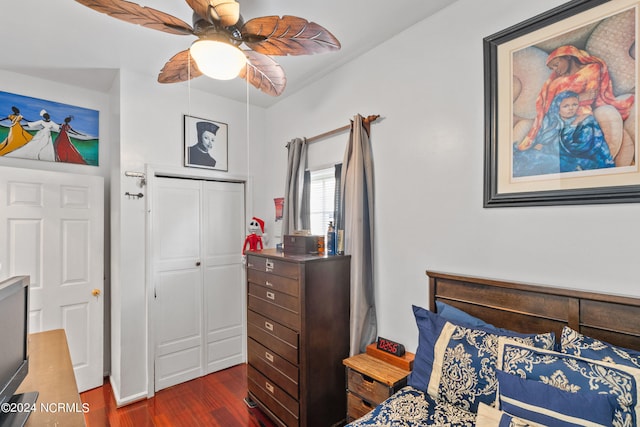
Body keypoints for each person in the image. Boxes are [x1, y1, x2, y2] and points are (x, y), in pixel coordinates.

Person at [516, 45, 634, 154]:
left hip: (582, 114)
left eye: (556, 64)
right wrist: (578, 98)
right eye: (552, 68)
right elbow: (550, 108)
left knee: (584, 141)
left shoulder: (592, 69)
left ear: (568, 56)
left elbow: (591, 96)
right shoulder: (557, 83)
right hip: (557, 120)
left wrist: (566, 101)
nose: (555, 70)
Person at [513, 90, 614, 177]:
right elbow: (541, 140)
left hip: (575, 157)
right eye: (566, 106)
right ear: (557, 108)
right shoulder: (550, 121)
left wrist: (573, 126)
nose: (571, 108)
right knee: (524, 158)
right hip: (549, 154)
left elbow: (581, 146)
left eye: (574, 105)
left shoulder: (583, 120)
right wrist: (541, 145)